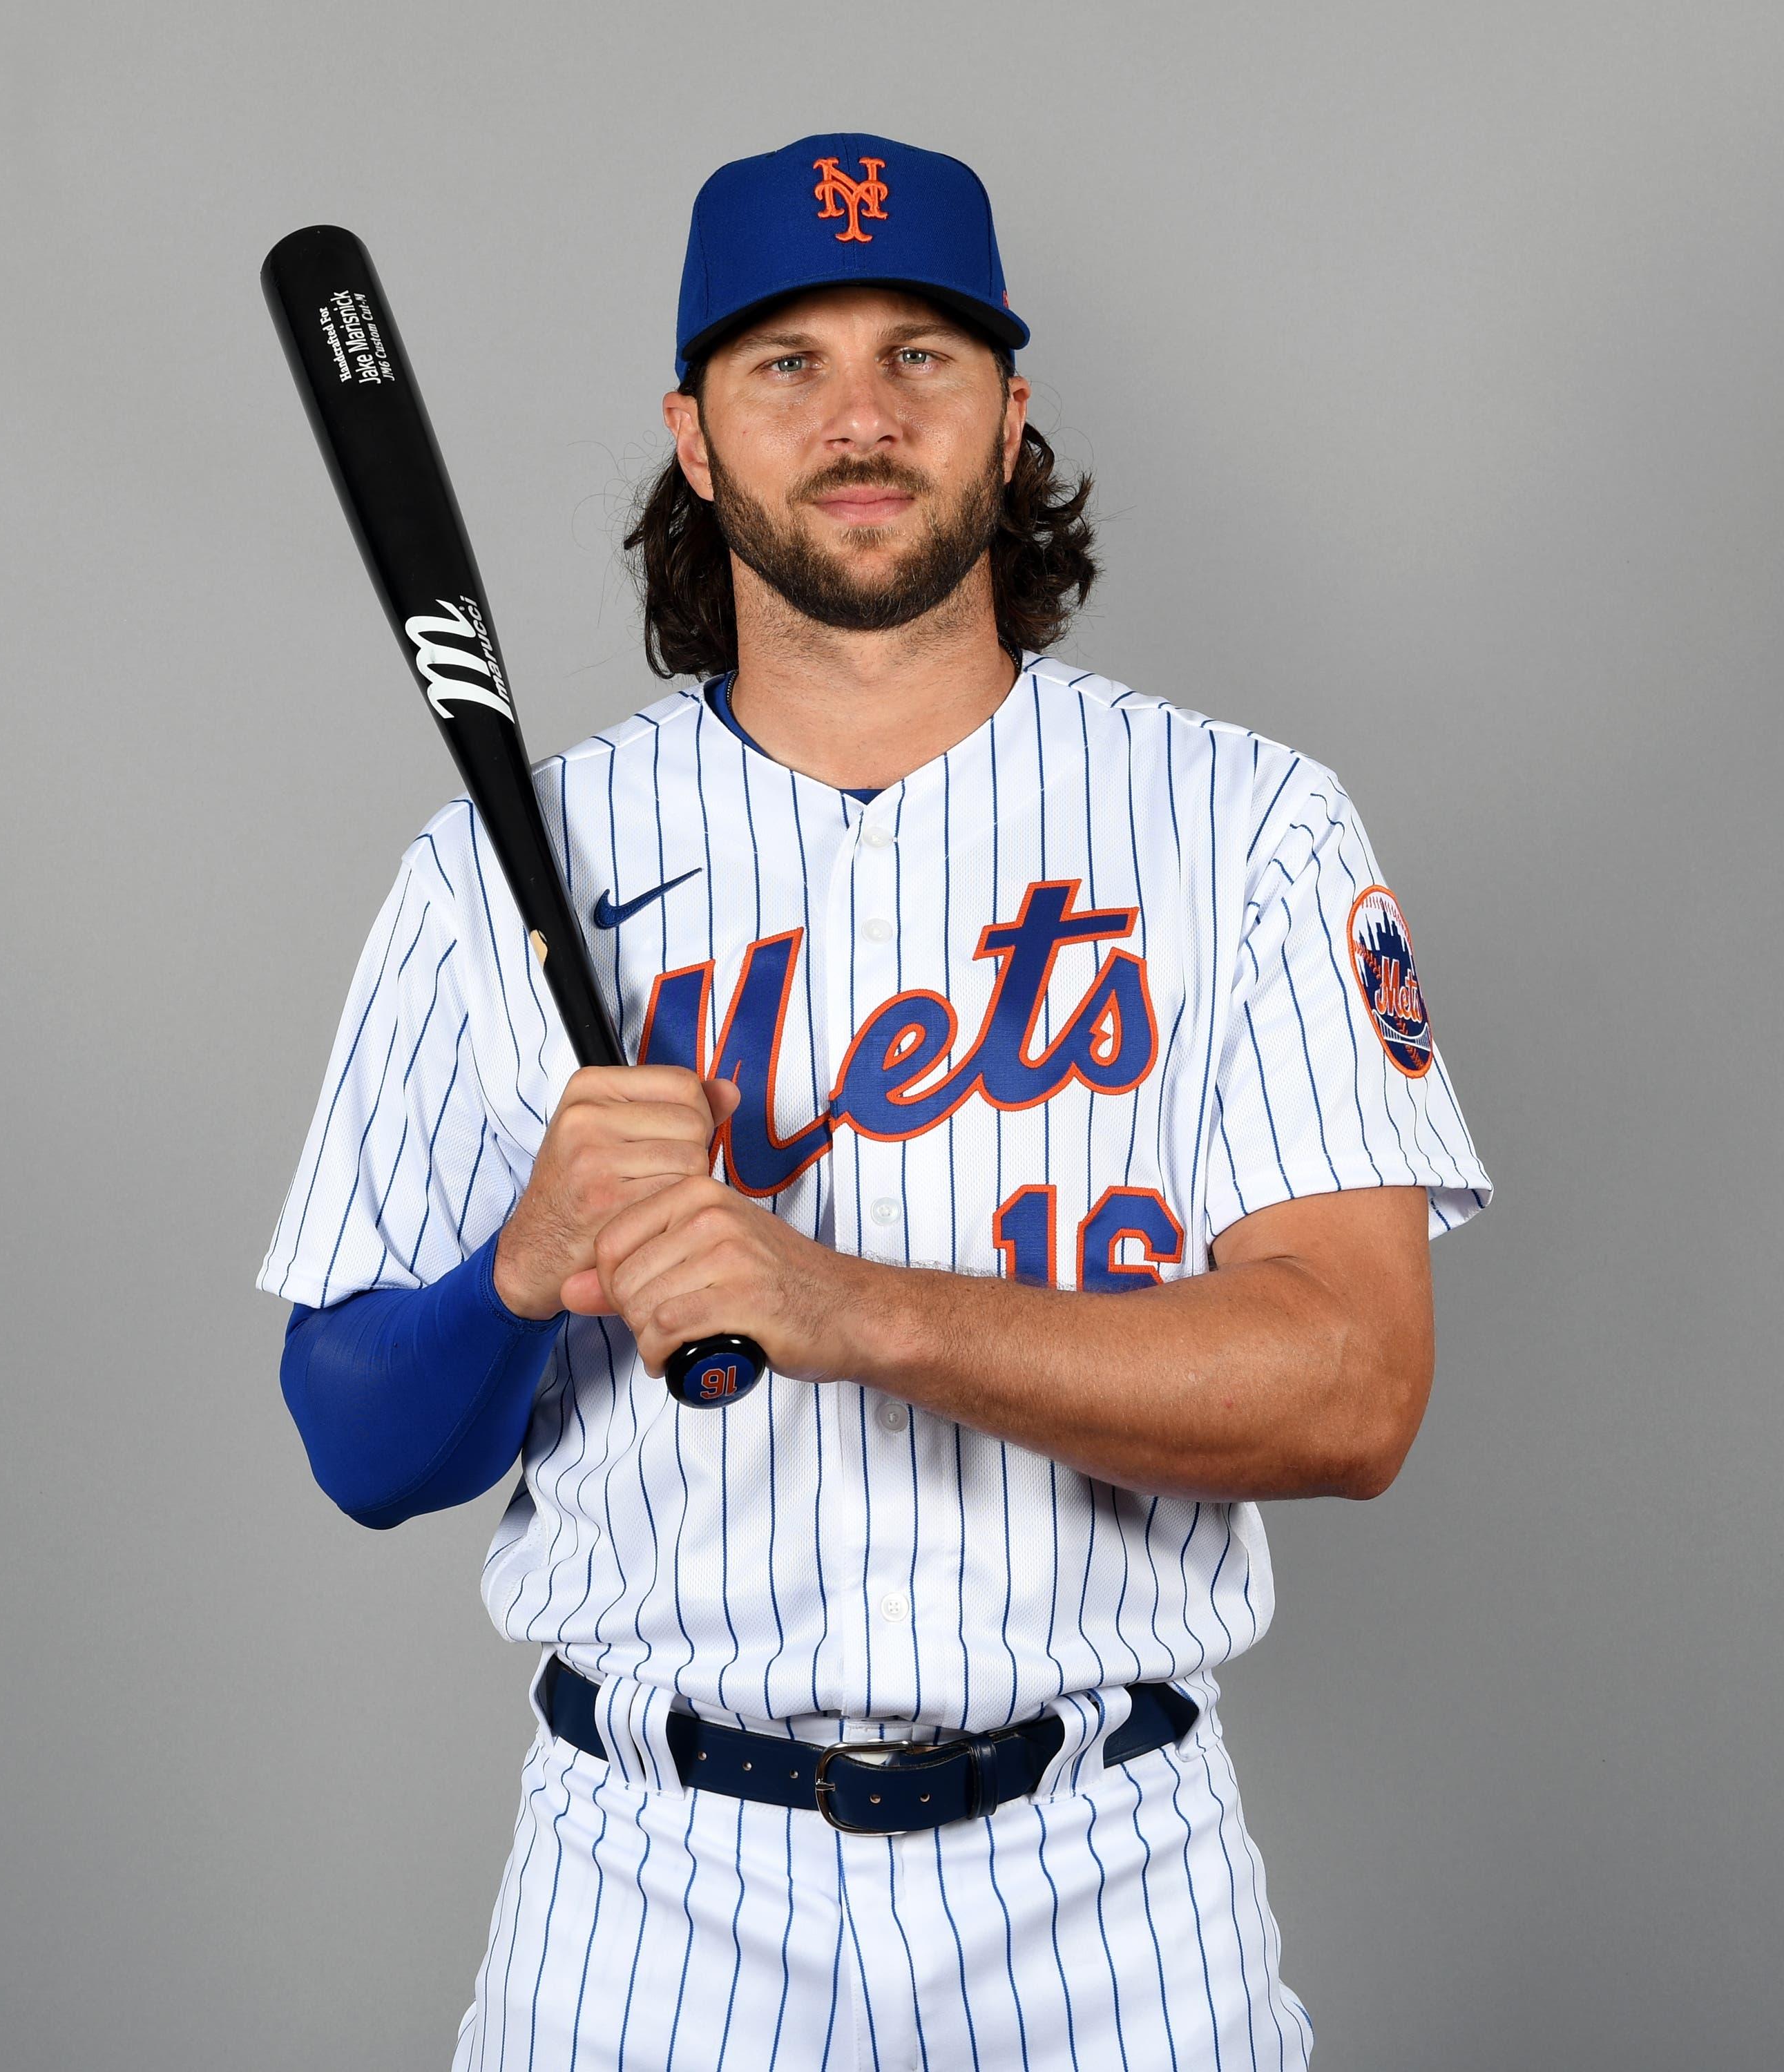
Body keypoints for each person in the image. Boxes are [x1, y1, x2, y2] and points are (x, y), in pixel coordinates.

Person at [261, 131, 1490, 2072]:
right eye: (786, 365)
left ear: (1012, 418)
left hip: (1113, 1878)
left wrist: (857, 1311)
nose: (858, 416)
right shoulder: (503, 867)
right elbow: (354, 1442)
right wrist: (523, 1270)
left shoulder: (1244, 827)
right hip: (648, 1888)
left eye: (921, 355)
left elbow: (1353, 1393)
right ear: (694, 433)